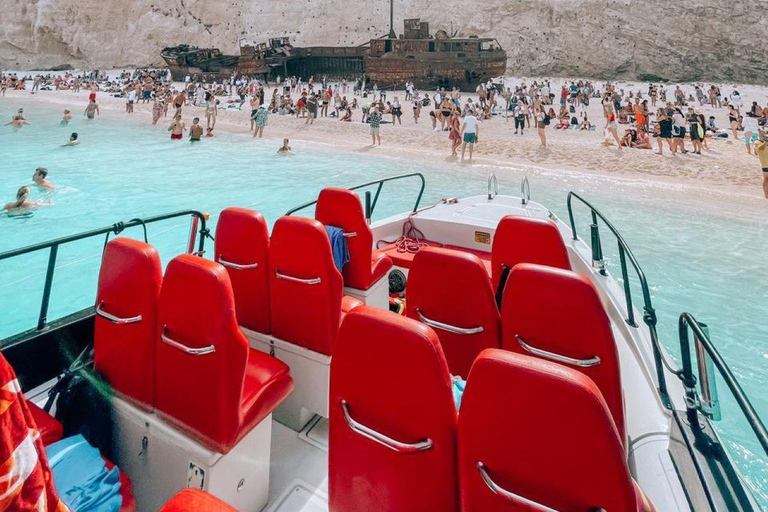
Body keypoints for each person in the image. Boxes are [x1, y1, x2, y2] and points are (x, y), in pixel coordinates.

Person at [757, 130, 768, 198]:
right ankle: (766, 195)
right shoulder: (757, 142)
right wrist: (766, 141)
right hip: (765, 164)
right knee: (766, 179)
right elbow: (761, 148)